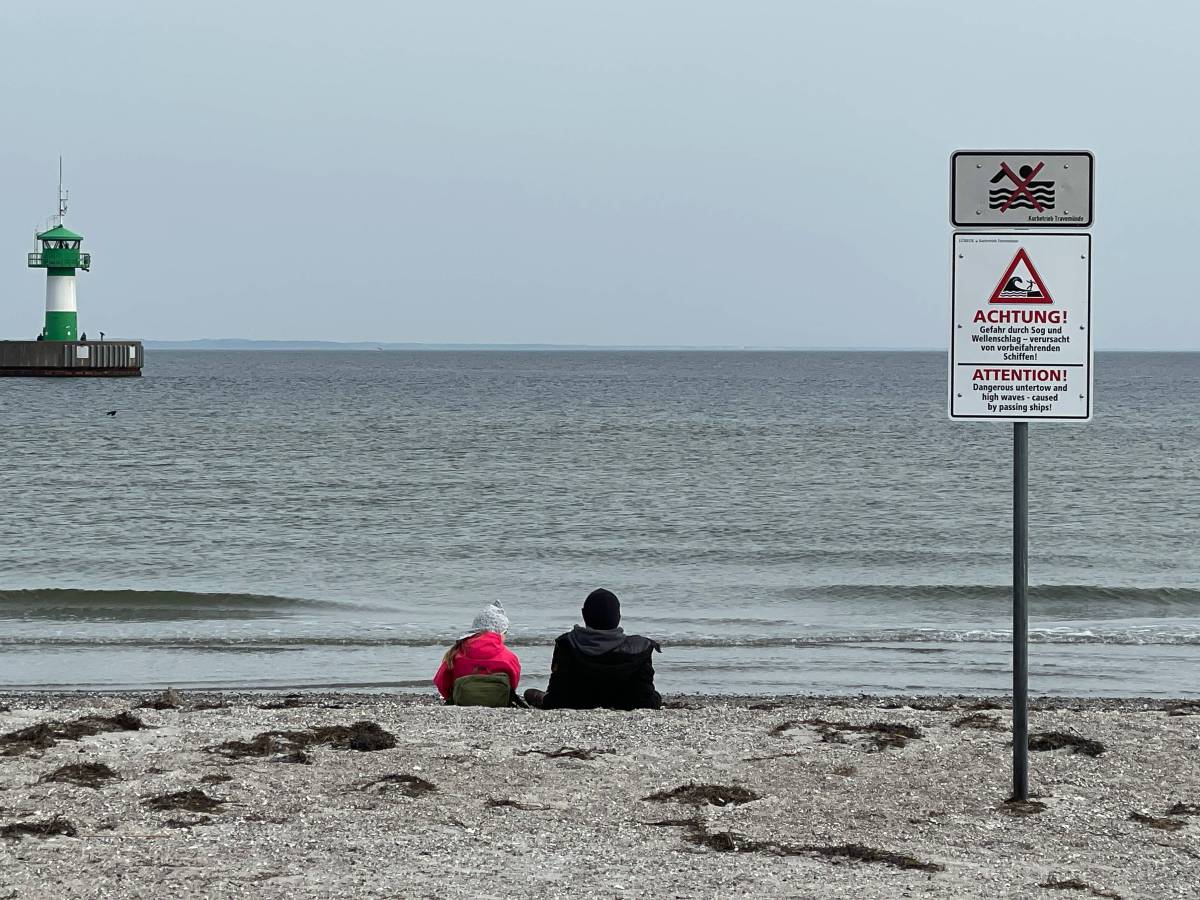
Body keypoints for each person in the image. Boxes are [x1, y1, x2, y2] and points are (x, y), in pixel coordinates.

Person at [525, 588, 661, 710]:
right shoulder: (640, 647)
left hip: (573, 702)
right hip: (631, 702)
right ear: (618, 617)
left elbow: (556, 689)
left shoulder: (567, 643)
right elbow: (645, 692)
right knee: (655, 697)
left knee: (530, 693)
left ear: (584, 615)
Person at [433, 601, 521, 706]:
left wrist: (451, 697)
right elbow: (513, 683)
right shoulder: (508, 657)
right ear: (500, 632)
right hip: (499, 701)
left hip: (462, 701)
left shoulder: (456, 653)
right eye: (505, 632)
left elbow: (441, 682)